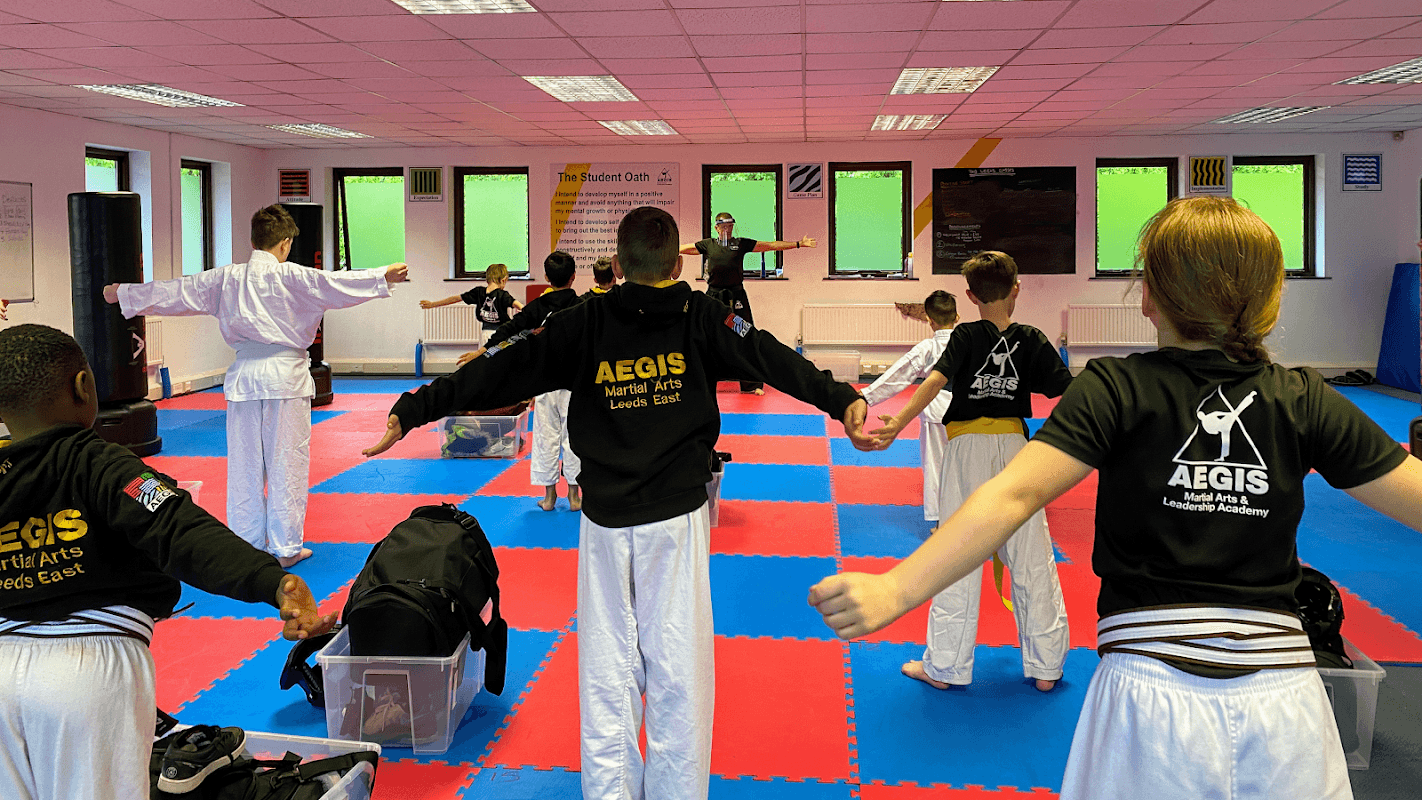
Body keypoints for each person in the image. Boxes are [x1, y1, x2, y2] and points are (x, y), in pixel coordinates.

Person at [810, 197, 1422, 800]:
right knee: (1034, 563)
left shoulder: (1117, 388)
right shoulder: (1303, 399)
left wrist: (897, 587)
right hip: (1287, 703)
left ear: (1149, 297)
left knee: (1026, 553)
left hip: (1149, 697)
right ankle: (1039, 658)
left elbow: (1013, 494)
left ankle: (970, 658)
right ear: (1270, 297)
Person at [364, 206, 873, 800]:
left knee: (608, 678)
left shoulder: (588, 322)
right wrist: (842, 401)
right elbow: (772, 357)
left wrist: (414, 408)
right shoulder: (703, 318)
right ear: (678, 257)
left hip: (604, 527)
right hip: (677, 525)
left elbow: (502, 366)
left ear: (620, 260)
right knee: (680, 676)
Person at [0, 323, 336, 800]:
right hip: (87, 671)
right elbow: (178, 526)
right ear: (84, 387)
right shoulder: (104, 465)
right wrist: (271, 581)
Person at [104, 205, 408, 567]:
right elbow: (336, 284)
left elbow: (178, 292)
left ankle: (246, 544)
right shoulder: (296, 276)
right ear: (285, 243)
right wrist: (382, 276)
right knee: (286, 463)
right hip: (286, 379)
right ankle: (286, 547)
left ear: (252, 241)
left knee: (245, 465)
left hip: (244, 380)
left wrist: (124, 293)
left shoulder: (226, 278)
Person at [866, 251, 1071, 692]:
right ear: (1017, 288)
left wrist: (899, 423)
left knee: (956, 554)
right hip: (1018, 451)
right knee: (1032, 555)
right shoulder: (1033, 338)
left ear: (971, 295)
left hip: (966, 448)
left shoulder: (964, 336)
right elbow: (1069, 394)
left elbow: (935, 381)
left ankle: (945, 666)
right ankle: (1047, 667)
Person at [679, 212, 816, 394]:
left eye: (730, 226)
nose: (727, 229)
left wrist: (798, 244)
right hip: (713, 297)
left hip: (736, 298)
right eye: (723, 226)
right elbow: (681, 249)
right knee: (705, 336)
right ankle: (701, 382)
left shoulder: (740, 243)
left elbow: (769, 245)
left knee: (744, 335)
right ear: (716, 227)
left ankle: (751, 385)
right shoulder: (708, 245)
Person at [860, 290, 958, 530]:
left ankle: (939, 522)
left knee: (935, 466)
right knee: (965, 466)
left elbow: (899, 375)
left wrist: (866, 396)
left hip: (936, 413)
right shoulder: (970, 342)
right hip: (968, 413)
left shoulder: (928, 347)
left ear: (929, 320)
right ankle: (970, 519)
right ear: (957, 317)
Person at [420, 262, 523, 345]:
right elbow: (517, 304)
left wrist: (433, 304)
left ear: (487, 279)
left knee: (485, 361)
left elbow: (455, 298)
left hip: (486, 335)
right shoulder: (503, 295)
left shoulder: (478, 292)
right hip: (503, 334)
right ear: (504, 280)